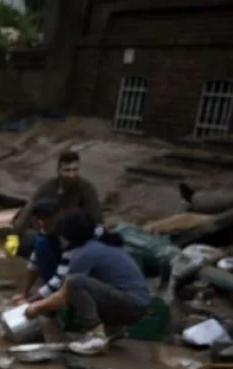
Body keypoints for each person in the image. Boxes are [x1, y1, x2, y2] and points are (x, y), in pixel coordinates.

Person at [24, 209, 150, 356]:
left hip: (131, 306)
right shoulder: (100, 246)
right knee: (82, 284)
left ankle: (96, 336)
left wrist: (35, 307)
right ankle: (113, 330)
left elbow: (65, 293)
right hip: (137, 305)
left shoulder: (85, 253)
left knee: (75, 283)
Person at [9, 150, 103, 239]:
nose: (71, 175)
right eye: (67, 170)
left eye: (75, 170)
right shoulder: (48, 187)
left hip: (74, 236)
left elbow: (97, 220)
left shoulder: (87, 189)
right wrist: (14, 235)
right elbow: (29, 208)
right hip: (49, 232)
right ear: (58, 170)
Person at [13, 198, 64, 303]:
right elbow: (34, 264)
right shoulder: (42, 236)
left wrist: (34, 300)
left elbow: (64, 275)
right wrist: (24, 293)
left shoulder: (68, 238)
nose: (40, 224)